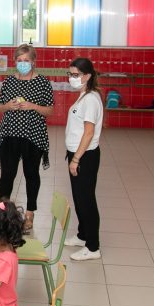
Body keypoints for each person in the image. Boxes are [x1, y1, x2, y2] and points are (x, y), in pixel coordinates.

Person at [0, 44, 54, 233]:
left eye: (26, 60)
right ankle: (3, 212)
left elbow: (50, 110)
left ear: (33, 62)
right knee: (7, 175)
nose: (22, 64)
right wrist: (7, 106)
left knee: (31, 175)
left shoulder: (43, 82)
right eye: (19, 60)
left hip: (33, 136)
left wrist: (32, 106)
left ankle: (30, 213)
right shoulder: (9, 82)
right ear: (14, 62)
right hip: (9, 134)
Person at [63, 57, 104, 261]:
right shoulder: (83, 96)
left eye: (76, 75)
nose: (72, 78)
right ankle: (82, 235)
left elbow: (88, 133)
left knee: (86, 199)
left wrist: (76, 159)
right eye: (70, 74)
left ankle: (93, 246)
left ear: (87, 76)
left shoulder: (91, 99)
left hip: (85, 156)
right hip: (77, 153)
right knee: (79, 197)